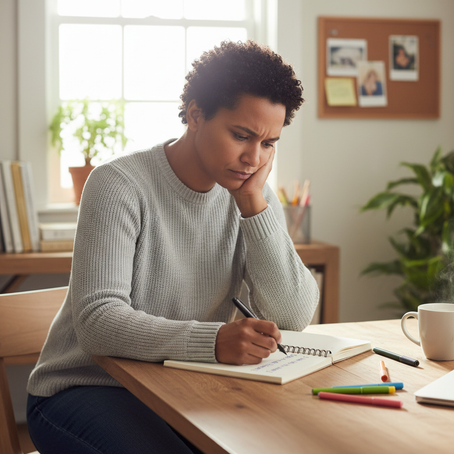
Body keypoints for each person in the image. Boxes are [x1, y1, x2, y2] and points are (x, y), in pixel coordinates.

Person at [27, 40, 319, 453]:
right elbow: (97, 321)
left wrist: (254, 205)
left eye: (268, 143)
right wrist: (213, 342)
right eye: (241, 135)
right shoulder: (119, 185)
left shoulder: (252, 194)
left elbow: (293, 315)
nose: (253, 157)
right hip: (86, 387)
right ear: (196, 115)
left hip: (184, 386)